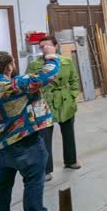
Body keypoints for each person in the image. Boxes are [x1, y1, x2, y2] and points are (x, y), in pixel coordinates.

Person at [0, 45, 62, 211]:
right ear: (8, 67)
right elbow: (44, 76)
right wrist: (51, 56)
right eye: (13, 63)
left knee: (1, 184)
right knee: (33, 179)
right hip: (23, 144)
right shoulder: (11, 85)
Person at [27, 35, 81, 179]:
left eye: (48, 45)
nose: (45, 48)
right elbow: (29, 83)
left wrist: (72, 95)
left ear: (56, 46)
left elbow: (74, 79)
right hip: (44, 102)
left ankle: (70, 160)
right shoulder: (34, 65)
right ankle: (46, 169)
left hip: (64, 100)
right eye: (42, 46)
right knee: (44, 137)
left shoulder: (66, 62)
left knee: (68, 132)